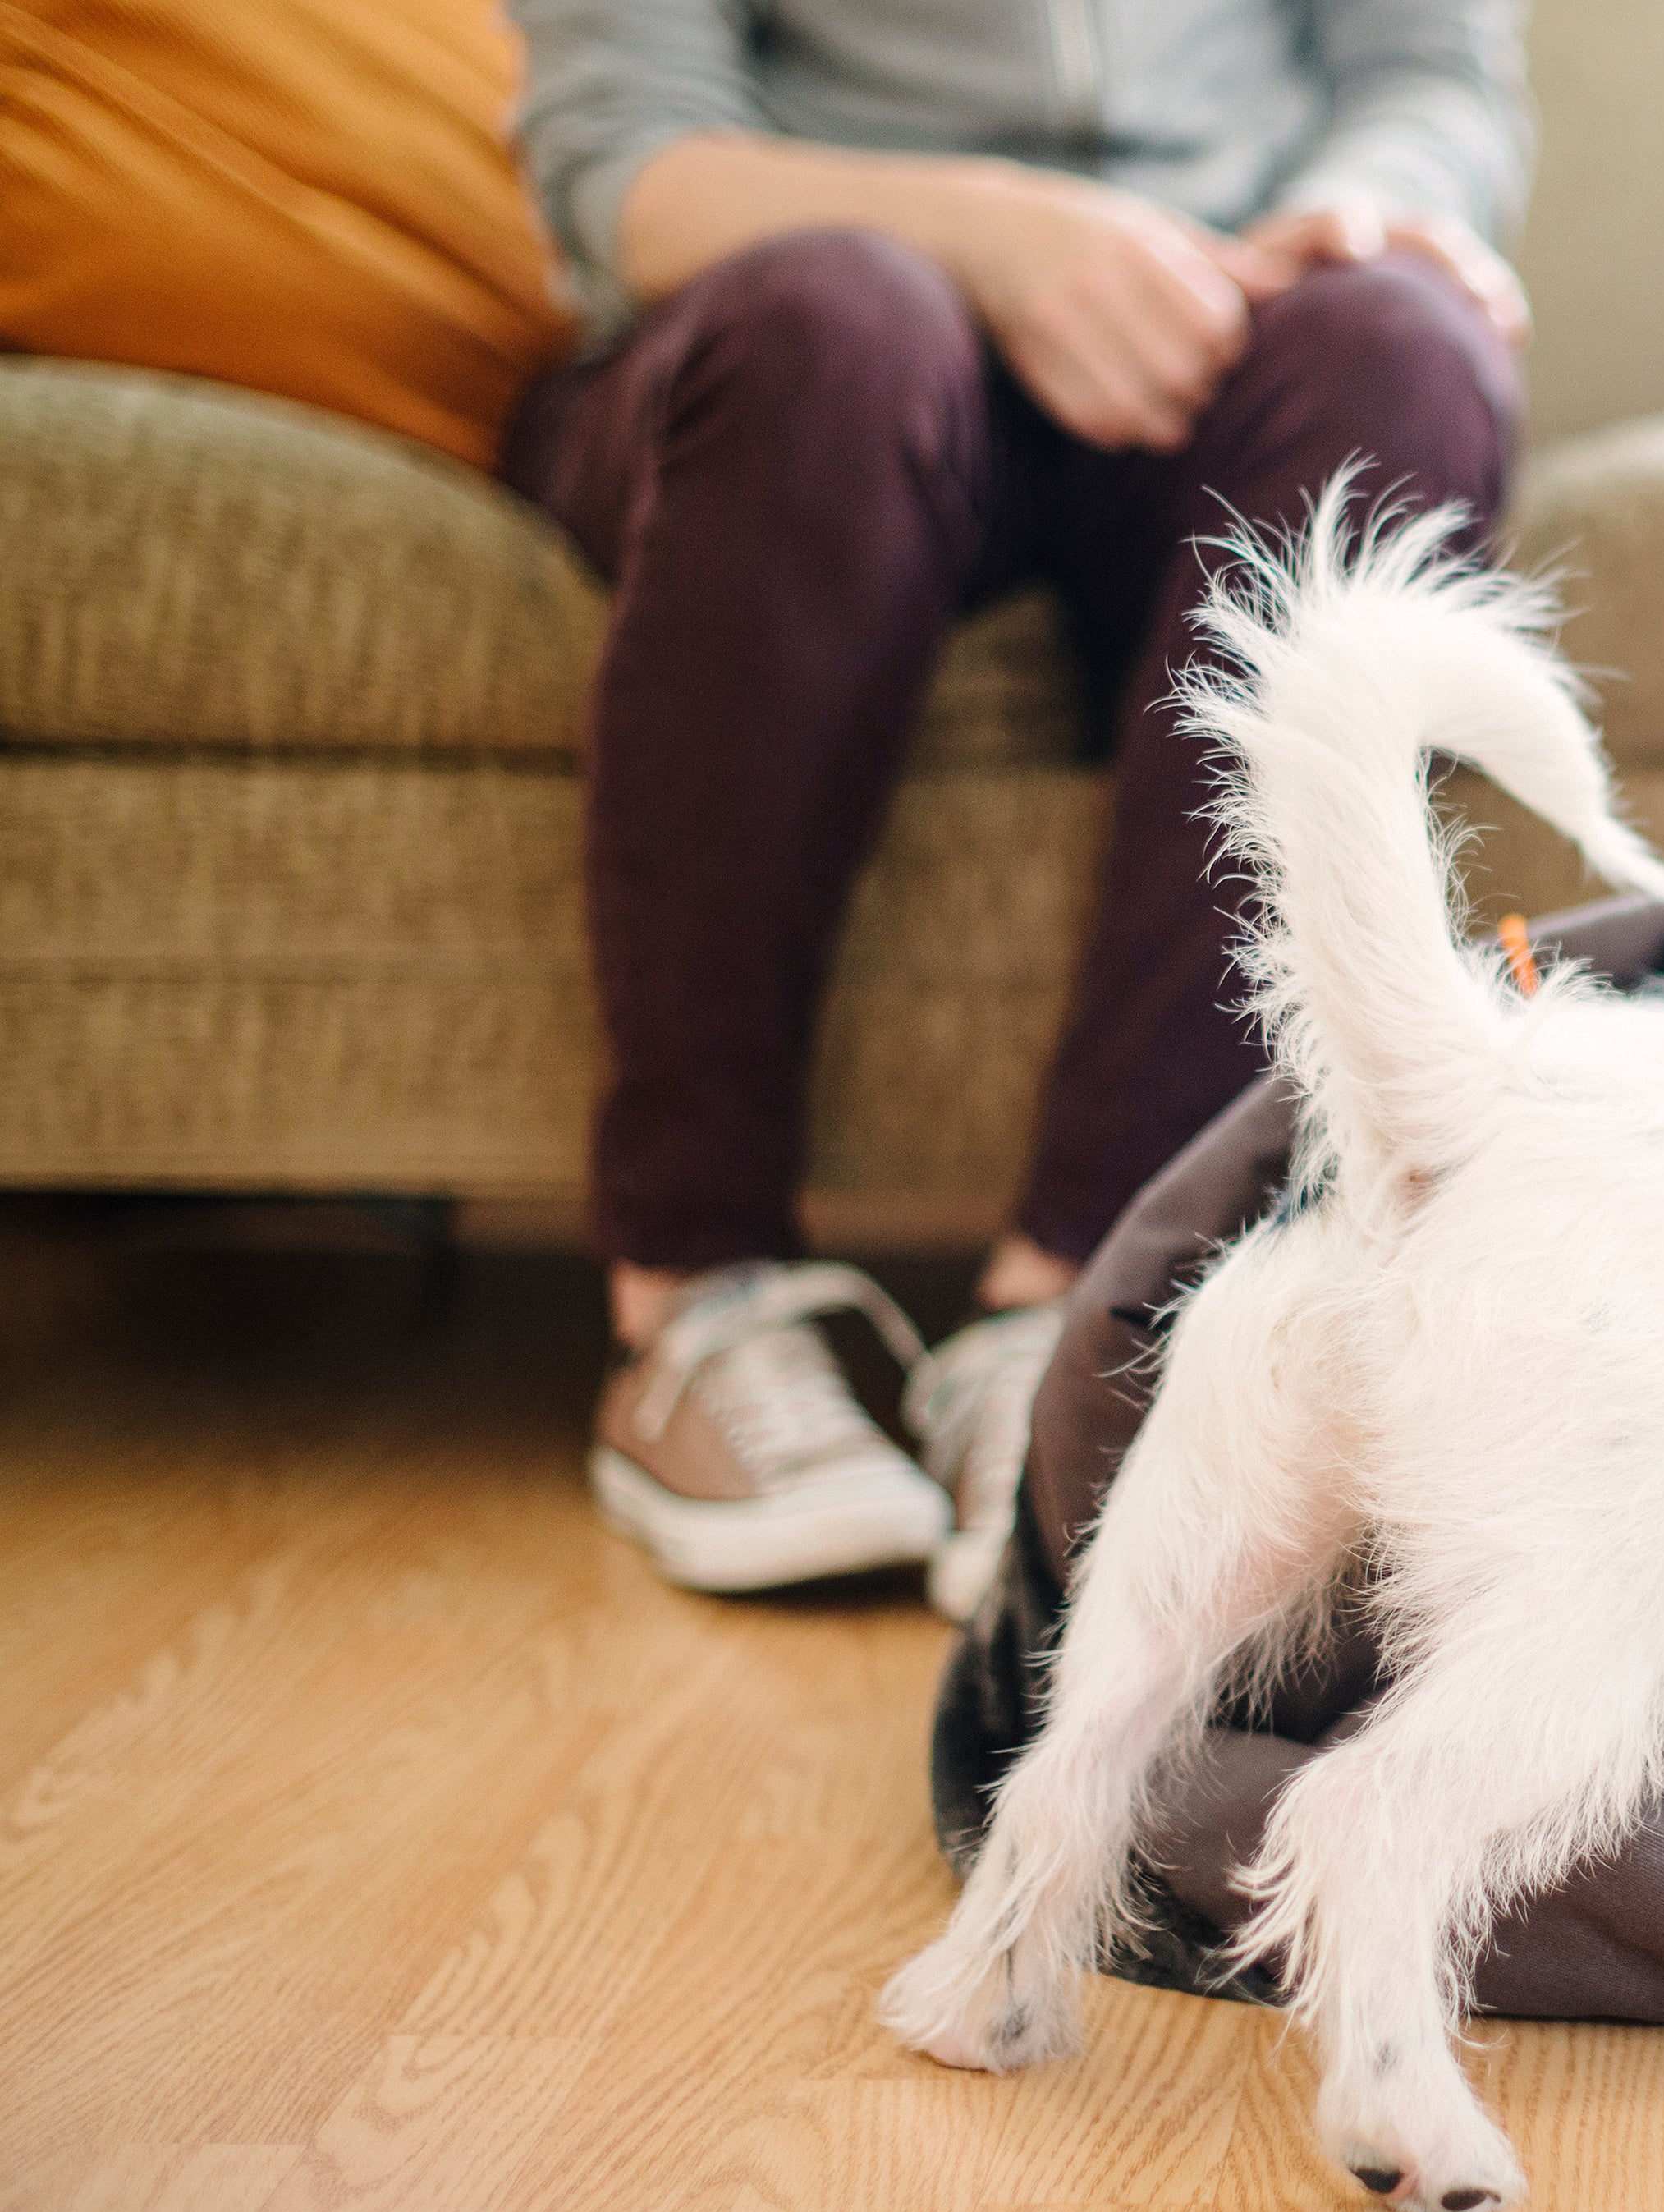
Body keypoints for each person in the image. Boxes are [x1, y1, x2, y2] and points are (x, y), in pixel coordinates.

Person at [505, 0, 1530, 1615]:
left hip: (1216, 329)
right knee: (844, 324)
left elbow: (1426, 82)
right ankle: (692, 1295)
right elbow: (626, 173)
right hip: (799, 338)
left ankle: (1075, 1315)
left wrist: (1357, 211)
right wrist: (989, 235)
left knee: (1401, 352)